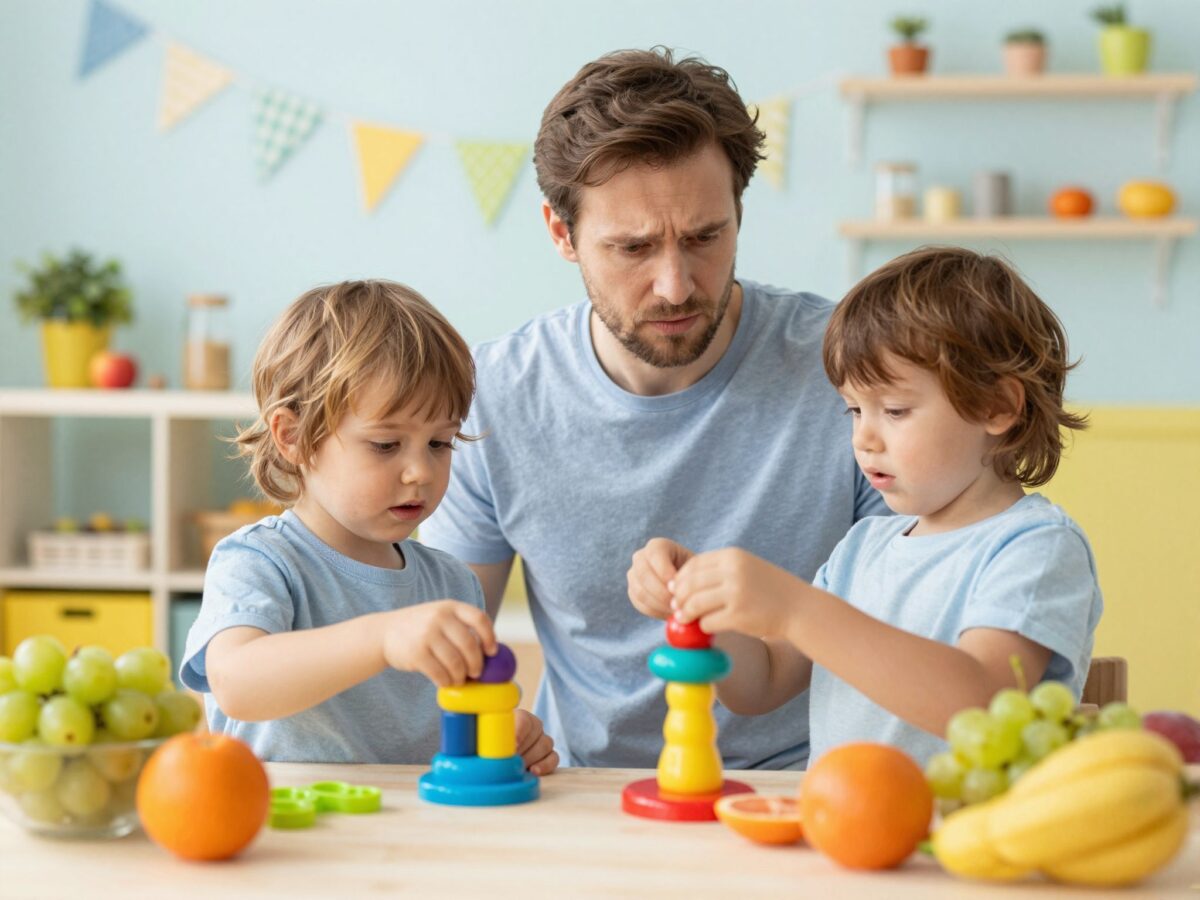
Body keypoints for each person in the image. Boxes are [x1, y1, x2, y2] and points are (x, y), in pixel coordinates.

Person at [419, 48, 886, 770]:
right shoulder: (496, 396)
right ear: (559, 232)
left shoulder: (852, 371)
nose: (674, 285)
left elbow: (918, 615)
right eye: (632, 247)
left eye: (705, 237)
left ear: (739, 212)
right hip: (584, 800)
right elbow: (445, 644)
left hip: (818, 792)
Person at [636, 246, 1103, 766]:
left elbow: (981, 703)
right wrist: (704, 602)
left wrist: (795, 609)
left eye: (896, 410)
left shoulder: (1035, 548)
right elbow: (759, 687)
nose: (865, 439)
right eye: (855, 410)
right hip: (848, 836)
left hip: (971, 841)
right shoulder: (863, 547)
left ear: (998, 406)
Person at [180, 279, 558, 772]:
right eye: (385, 445)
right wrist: (382, 639)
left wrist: (501, 738)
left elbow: (453, 733)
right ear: (293, 437)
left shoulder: (451, 584)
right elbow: (236, 683)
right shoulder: (257, 561)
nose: (420, 471)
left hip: (409, 838)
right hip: (290, 837)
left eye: (439, 444)